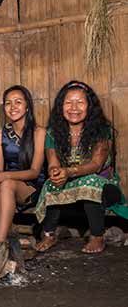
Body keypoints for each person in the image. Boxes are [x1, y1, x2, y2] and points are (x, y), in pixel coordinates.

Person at [34, 81, 124, 254]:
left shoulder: (101, 130)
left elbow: (96, 165)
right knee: (51, 183)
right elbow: (52, 161)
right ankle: (48, 234)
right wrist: (55, 172)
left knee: (89, 182)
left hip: (104, 188)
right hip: (70, 187)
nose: (74, 108)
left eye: (80, 102)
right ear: (61, 106)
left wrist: (69, 171)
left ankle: (97, 236)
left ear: (90, 106)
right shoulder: (54, 132)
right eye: (68, 102)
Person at [0, 86, 46, 250]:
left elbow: (35, 172)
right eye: (8, 103)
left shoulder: (39, 132)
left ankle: (0, 241)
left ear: (27, 106)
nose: (13, 107)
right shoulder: (0, 134)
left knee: (7, 183)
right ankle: (0, 238)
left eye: (18, 102)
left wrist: (4, 176)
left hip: (33, 186)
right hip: (7, 182)